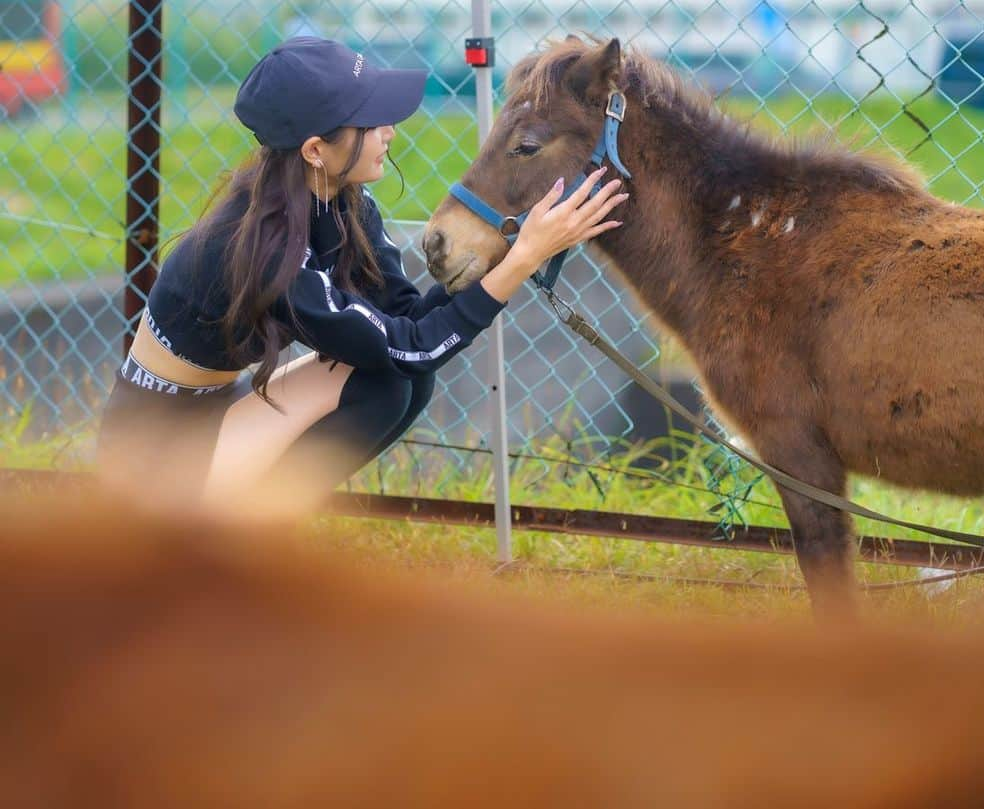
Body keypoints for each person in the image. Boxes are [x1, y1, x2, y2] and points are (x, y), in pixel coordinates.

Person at [94, 36, 627, 515]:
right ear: (315, 151)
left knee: (400, 384)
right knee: (393, 379)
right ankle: (221, 537)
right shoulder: (269, 249)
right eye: (370, 122)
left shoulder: (342, 203)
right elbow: (413, 344)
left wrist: (511, 247)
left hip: (216, 410)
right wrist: (523, 259)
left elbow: (405, 323)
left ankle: (254, 528)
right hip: (153, 454)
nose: (390, 131)